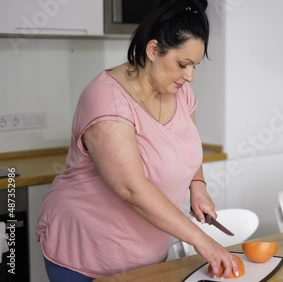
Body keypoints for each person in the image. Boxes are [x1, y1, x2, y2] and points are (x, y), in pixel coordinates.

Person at [36, 0, 238, 281]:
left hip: (147, 254)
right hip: (87, 253)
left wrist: (197, 185)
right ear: (153, 49)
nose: (189, 76)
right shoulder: (106, 99)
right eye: (183, 64)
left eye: (194, 66)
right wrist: (202, 240)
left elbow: (186, 147)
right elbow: (131, 188)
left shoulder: (180, 93)